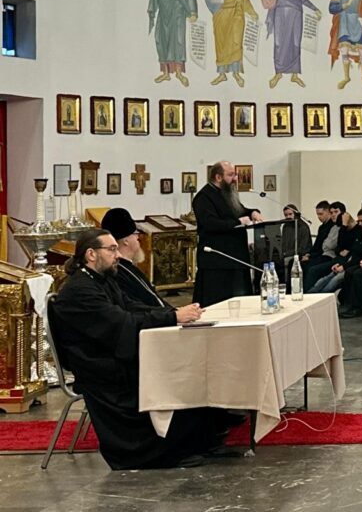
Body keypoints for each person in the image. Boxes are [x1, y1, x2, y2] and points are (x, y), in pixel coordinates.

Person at [50, 229, 229, 470]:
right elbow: (120, 323)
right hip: (100, 366)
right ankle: (163, 451)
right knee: (176, 370)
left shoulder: (100, 280)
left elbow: (132, 307)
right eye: (111, 249)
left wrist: (172, 313)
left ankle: (202, 437)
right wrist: (173, 318)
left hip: (110, 355)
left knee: (186, 365)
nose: (117, 255)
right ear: (91, 254)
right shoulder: (80, 290)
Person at [192, 161, 263, 306]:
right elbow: (210, 224)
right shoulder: (203, 197)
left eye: (235, 174)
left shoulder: (227, 194)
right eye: (231, 175)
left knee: (242, 303)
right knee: (219, 304)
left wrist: (253, 212)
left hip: (237, 258)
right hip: (218, 261)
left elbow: (240, 211)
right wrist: (237, 222)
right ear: (218, 177)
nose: (235, 178)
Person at [261, 0, 321, 89]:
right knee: (279, 43)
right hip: (281, 17)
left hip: (296, 17)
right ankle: (278, 73)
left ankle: (294, 75)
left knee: (295, 43)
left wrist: (315, 9)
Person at [100, 208, 170, 309]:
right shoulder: (117, 272)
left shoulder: (127, 267)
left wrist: (176, 312)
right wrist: (174, 314)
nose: (138, 237)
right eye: (135, 233)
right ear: (126, 241)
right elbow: (136, 309)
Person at [207, 0, 257, 87]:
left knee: (236, 43)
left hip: (236, 14)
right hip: (221, 13)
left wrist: (252, 12)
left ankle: (236, 73)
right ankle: (222, 74)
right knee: (221, 44)